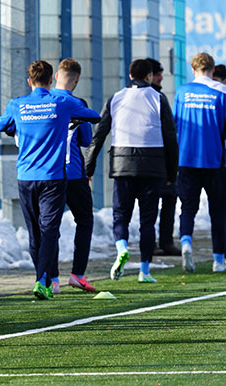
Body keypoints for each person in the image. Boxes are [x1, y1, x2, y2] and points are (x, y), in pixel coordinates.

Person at [0, 60, 100, 300]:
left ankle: (45, 278)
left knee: (35, 232)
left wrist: (19, 125)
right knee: (50, 230)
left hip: (25, 176)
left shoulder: (17, 104)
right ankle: (47, 279)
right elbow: (93, 117)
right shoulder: (63, 103)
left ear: (28, 81)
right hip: (54, 176)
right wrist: (73, 117)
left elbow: (3, 125)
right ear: (51, 79)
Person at [85, 59, 178, 283]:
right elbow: (170, 137)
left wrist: (89, 166)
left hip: (122, 164)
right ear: (148, 76)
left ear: (130, 76)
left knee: (120, 215)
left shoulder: (116, 98)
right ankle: (144, 271)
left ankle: (121, 248)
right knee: (147, 221)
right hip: (152, 166)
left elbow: (98, 135)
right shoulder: (158, 98)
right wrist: (171, 173)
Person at [173, 52, 226, 273]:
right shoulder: (221, 91)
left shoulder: (182, 92)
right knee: (218, 211)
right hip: (214, 160)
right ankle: (218, 260)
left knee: (187, 207)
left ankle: (186, 243)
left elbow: (174, 124)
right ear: (213, 71)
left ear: (193, 71)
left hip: (186, 158)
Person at [48, 58, 96, 293]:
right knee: (85, 220)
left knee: (50, 225)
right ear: (77, 79)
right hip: (74, 173)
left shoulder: (43, 102)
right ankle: (77, 274)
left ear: (56, 76)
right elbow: (86, 140)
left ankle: (52, 277)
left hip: (48, 173)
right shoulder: (78, 103)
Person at [146, 58, 181, 257]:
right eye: (158, 74)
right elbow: (169, 133)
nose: (161, 78)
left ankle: (162, 242)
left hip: (151, 159)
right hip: (156, 160)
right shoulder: (157, 98)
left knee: (165, 199)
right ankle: (161, 242)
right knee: (157, 201)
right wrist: (172, 166)